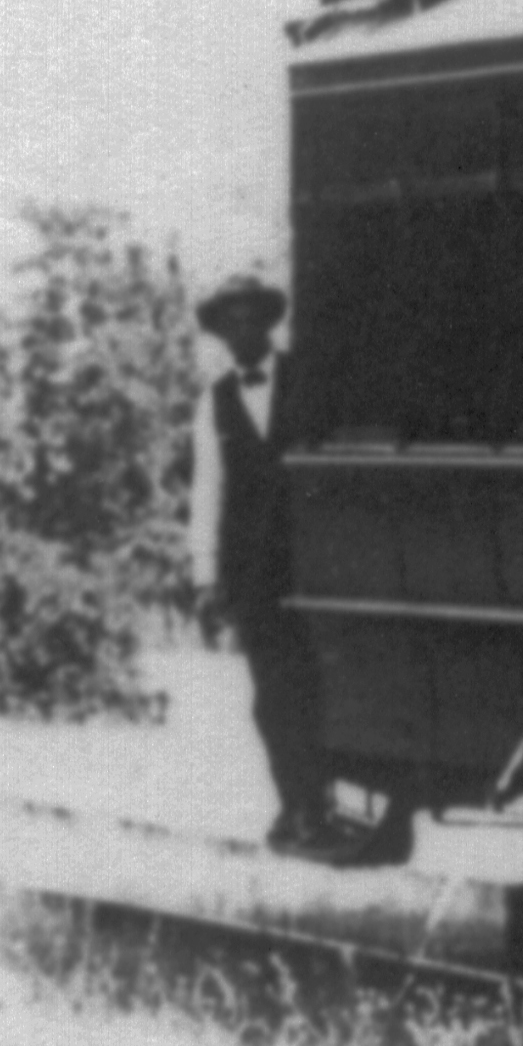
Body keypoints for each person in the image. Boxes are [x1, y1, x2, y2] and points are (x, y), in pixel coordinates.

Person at [187, 271, 359, 858]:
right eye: (229, 321)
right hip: (252, 569)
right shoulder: (212, 401)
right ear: (220, 333)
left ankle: (319, 808)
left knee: (316, 687)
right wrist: (205, 577)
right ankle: (298, 806)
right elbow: (207, 489)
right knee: (272, 695)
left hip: (314, 563)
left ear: (267, 322)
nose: (241, 330)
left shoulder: (309, 379)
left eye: (250, 317)